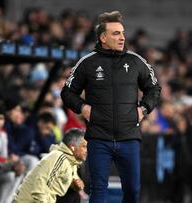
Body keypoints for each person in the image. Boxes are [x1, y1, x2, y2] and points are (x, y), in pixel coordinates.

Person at [61, 11, 161, 203]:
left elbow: (154, 88)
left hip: (129, 137)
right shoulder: (88, 63)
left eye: (122, 33)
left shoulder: (136, 61)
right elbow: (67, 93)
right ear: (103, 37)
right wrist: (82, 107)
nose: (122, 37)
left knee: (132, 190)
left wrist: (144, 109)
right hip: (99, 139)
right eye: (116, 33)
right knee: (98, 191)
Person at [13, 128, 87, 203]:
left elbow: (73, 181)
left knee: (74, 194)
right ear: (73, 147)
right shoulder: (58, 158)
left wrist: (77, 186)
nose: (87, 150)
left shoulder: (71, 161)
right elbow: (40, 188)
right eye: (84, 146)